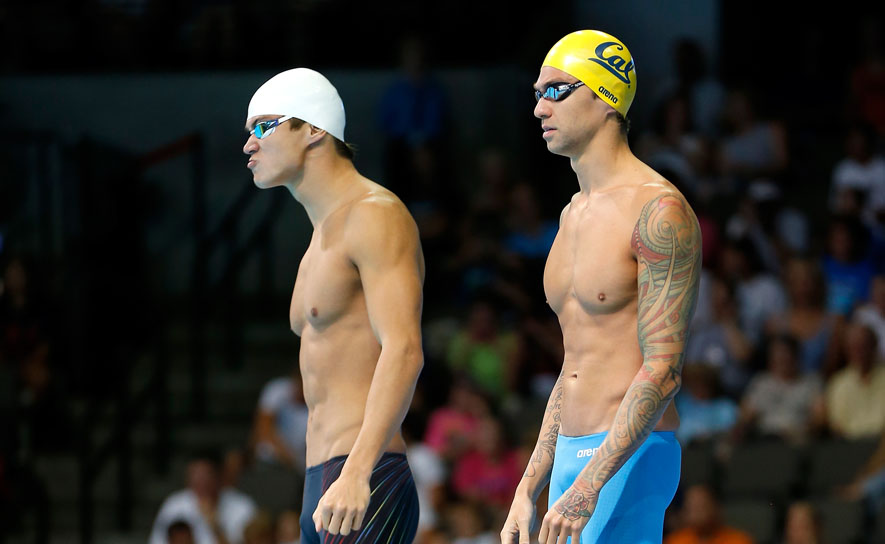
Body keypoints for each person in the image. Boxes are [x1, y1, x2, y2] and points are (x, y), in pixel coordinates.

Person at [500, 30, 702, 544]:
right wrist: (529, 485)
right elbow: (574, 366)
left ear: (606, 95)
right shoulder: (570, 216)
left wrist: (591, 484)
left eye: (556, 91)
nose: (540, 108)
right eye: (537, 94)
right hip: (572, 454)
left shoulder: (658, 209)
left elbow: (663, 370)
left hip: (628, 456)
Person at [243, 68, 424, 543]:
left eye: (264, 126)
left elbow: (403, 349)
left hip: (365, 475)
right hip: (320, 481)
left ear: (315, 129)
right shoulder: (317, 241)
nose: (248, 144)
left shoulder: (374, 214)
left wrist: (359, 472)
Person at [149, 451, 257, 544]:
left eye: (205, 475)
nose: (200, 481)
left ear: (219, 475)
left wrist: (216, 528)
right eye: (194, 474)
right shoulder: (174, 505)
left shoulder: (242, 505)